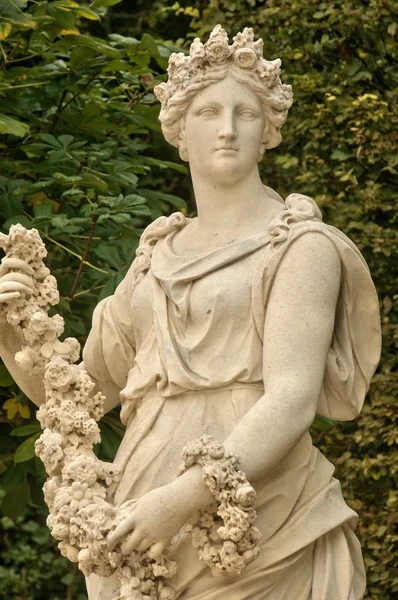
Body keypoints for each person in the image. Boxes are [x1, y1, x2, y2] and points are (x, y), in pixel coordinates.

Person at [0, 26, 381, 600]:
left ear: (268, 127)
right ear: (179, 128)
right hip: (138, 519)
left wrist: (181, 499)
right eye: (208, 111)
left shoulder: (302, 247)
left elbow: (291, 398)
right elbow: (80, 400)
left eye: (245, 113)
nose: (227, 128)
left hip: (257, 521)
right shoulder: (154, 257)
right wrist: (13, 335)